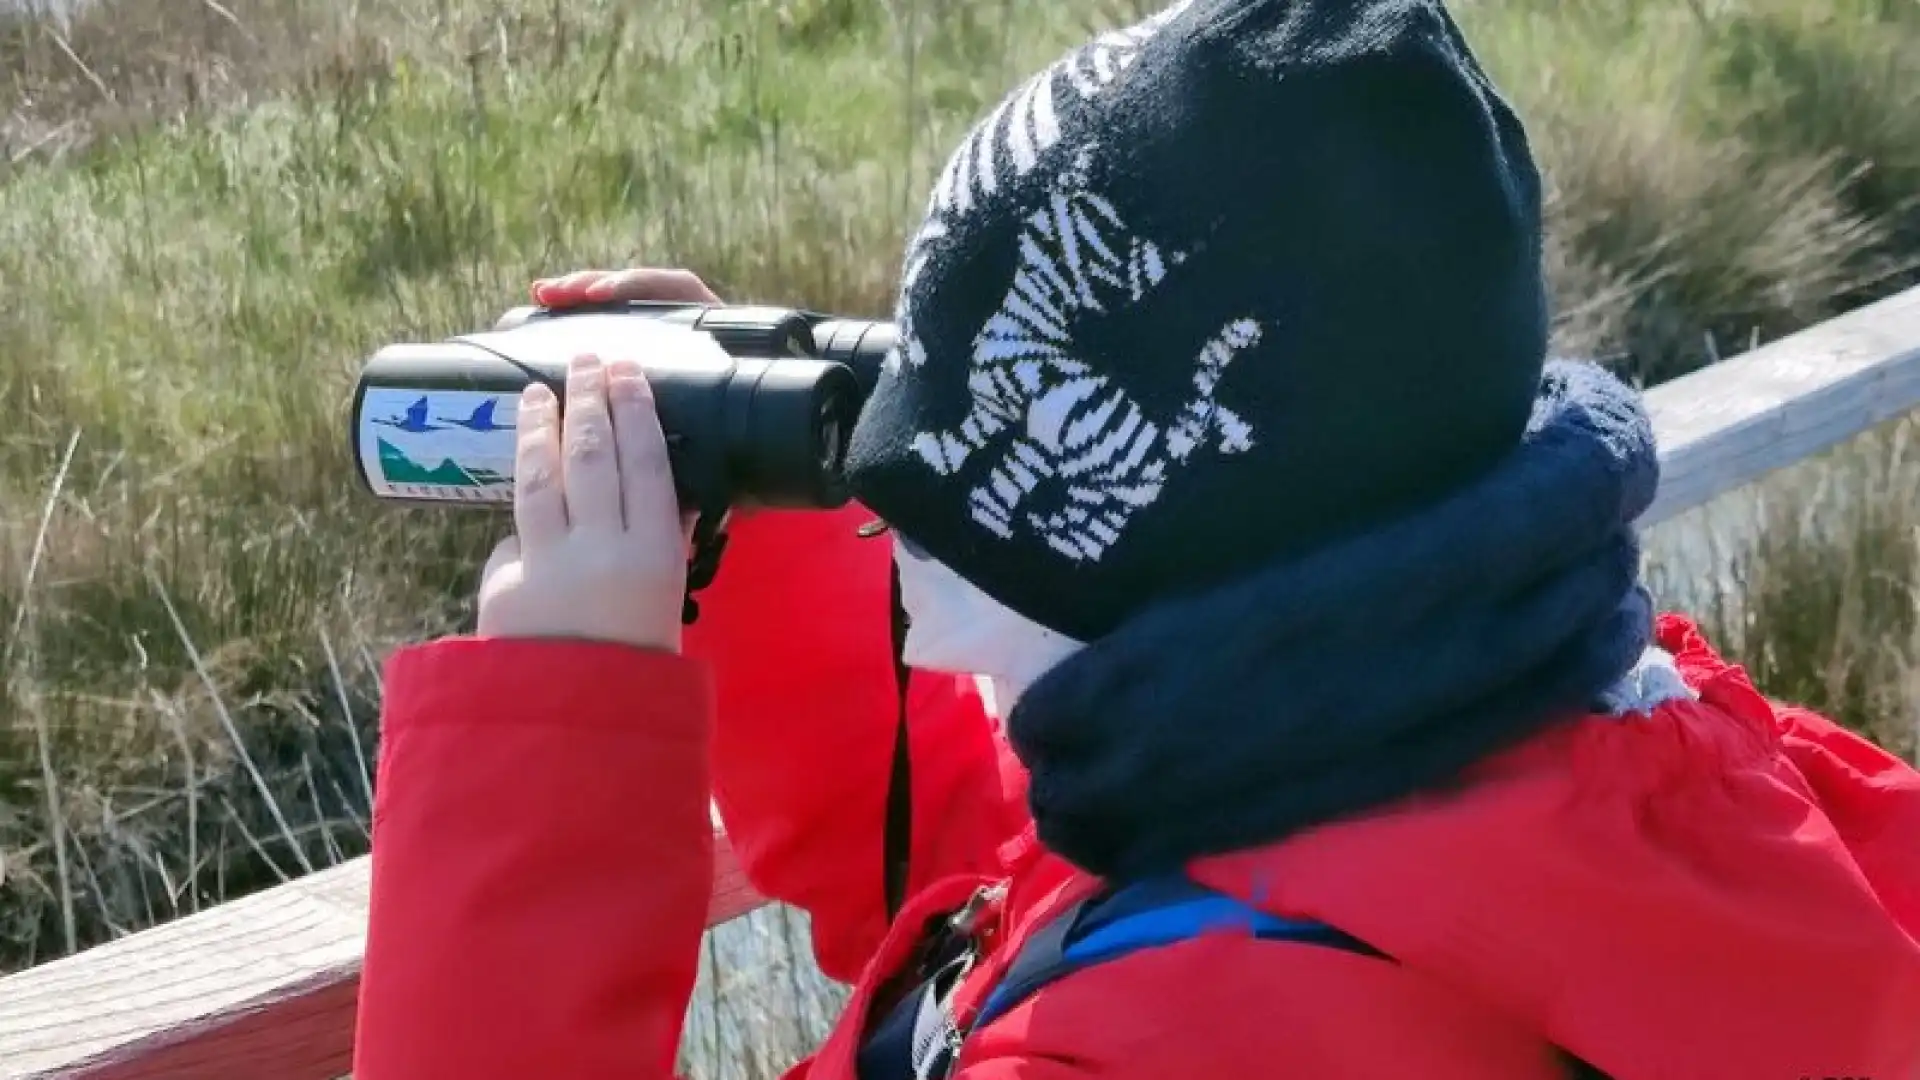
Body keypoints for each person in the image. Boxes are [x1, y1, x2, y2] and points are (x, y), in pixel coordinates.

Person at [350, 1, 1920, 1077]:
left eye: (963, 508)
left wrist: (553, 751)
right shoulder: (1545, 787)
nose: (914, 560)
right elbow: (1038, 892)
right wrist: (756, 557)